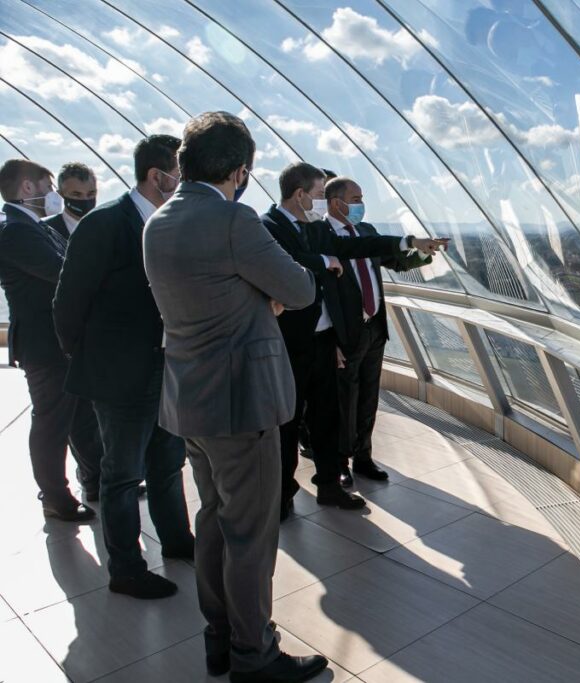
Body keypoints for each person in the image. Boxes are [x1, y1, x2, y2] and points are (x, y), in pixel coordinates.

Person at [144, 111, 327, 682]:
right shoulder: (233, 221)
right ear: (241, 170)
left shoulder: (159, 220)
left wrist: (249, 296)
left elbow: (203, 298)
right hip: (241, 403)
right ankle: (256, 655)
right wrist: (261, 297)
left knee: (217, 522)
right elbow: (299, 289)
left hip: (190, 401)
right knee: (251, 534)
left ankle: (220, 639)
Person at [261, 163, 447, 520]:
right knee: (287, 421)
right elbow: (282, 263)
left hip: (325, 338)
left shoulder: (315, 228)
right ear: (299, 195)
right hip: (292, 343)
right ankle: (283, 492)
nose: (322, 202)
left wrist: (408, 242)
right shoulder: (268, 227)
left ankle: (329, 485)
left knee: (328, 416)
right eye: (319, 195)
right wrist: (323, 261)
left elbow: (356, 245)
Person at [53, 135, 195, 601]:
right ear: (158, 176)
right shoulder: (105, 224)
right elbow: (68, 303)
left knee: (168, 463)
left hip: (167, 370)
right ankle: (127, 569)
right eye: (182, 174)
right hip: (119, 377)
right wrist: (93, 359)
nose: (186, 185)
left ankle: (177, 541)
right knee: (121, 474)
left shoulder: (175, 224)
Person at [0, 159, 101, 522]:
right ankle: (55, 496)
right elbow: (64, 270)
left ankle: (95, 478)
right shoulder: (15, 231)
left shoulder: (31, 227)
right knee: (52, 422)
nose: (52, 195)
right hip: (45, 345)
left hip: (60, 341)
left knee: (79, 416)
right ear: (28, 188)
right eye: (48, 186)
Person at [323, 177, 437, 486]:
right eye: (356, 198)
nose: (362, 204)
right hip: (344, 332)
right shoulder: (321, 236)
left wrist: (423, 253)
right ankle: (341, 461)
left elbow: (396, 262)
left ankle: (363, 457)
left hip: (373, 327)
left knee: (368, 396)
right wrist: (329, 341)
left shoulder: (367, 232)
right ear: (336, 203)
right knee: (343, 400)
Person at [44, 162, 97, 239]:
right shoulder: (45, 229)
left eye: (91, 194)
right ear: (61, 194)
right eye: (76, 194)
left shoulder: (110, 227)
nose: (85, 199)